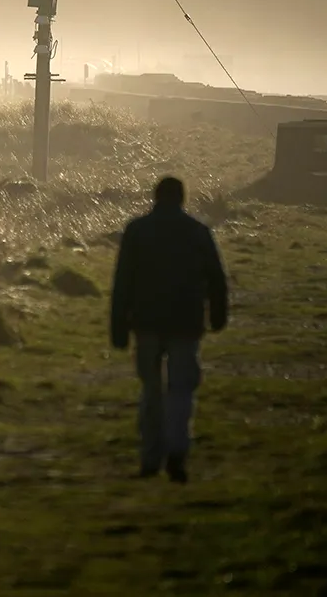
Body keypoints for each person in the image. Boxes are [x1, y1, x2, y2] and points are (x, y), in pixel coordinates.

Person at [109, 176, 229, 483]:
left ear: (155, 197)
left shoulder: (137, 231)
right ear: (182, 199)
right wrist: (217, 315)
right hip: (185, 322)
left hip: (147, 321)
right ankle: (177, 450)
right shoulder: (197, 232)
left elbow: (122, 283)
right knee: (180, 390)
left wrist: (118, 327)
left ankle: (151, 456)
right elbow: (216, 278)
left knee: (151, 391)